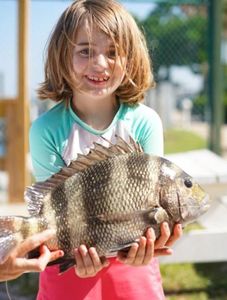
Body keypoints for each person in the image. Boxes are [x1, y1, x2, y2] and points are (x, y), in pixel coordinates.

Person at [29, 0, 183, 299]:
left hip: (134, 268)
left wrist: (158, 240)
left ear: (130, 58)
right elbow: (47, 209)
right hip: (69, 263)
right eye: (85, 51)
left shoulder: (145, 122)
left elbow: (156, 210)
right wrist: (73, 256)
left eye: (113, 52)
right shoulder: (46, 129)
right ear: (63, 56)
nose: (99, 63)